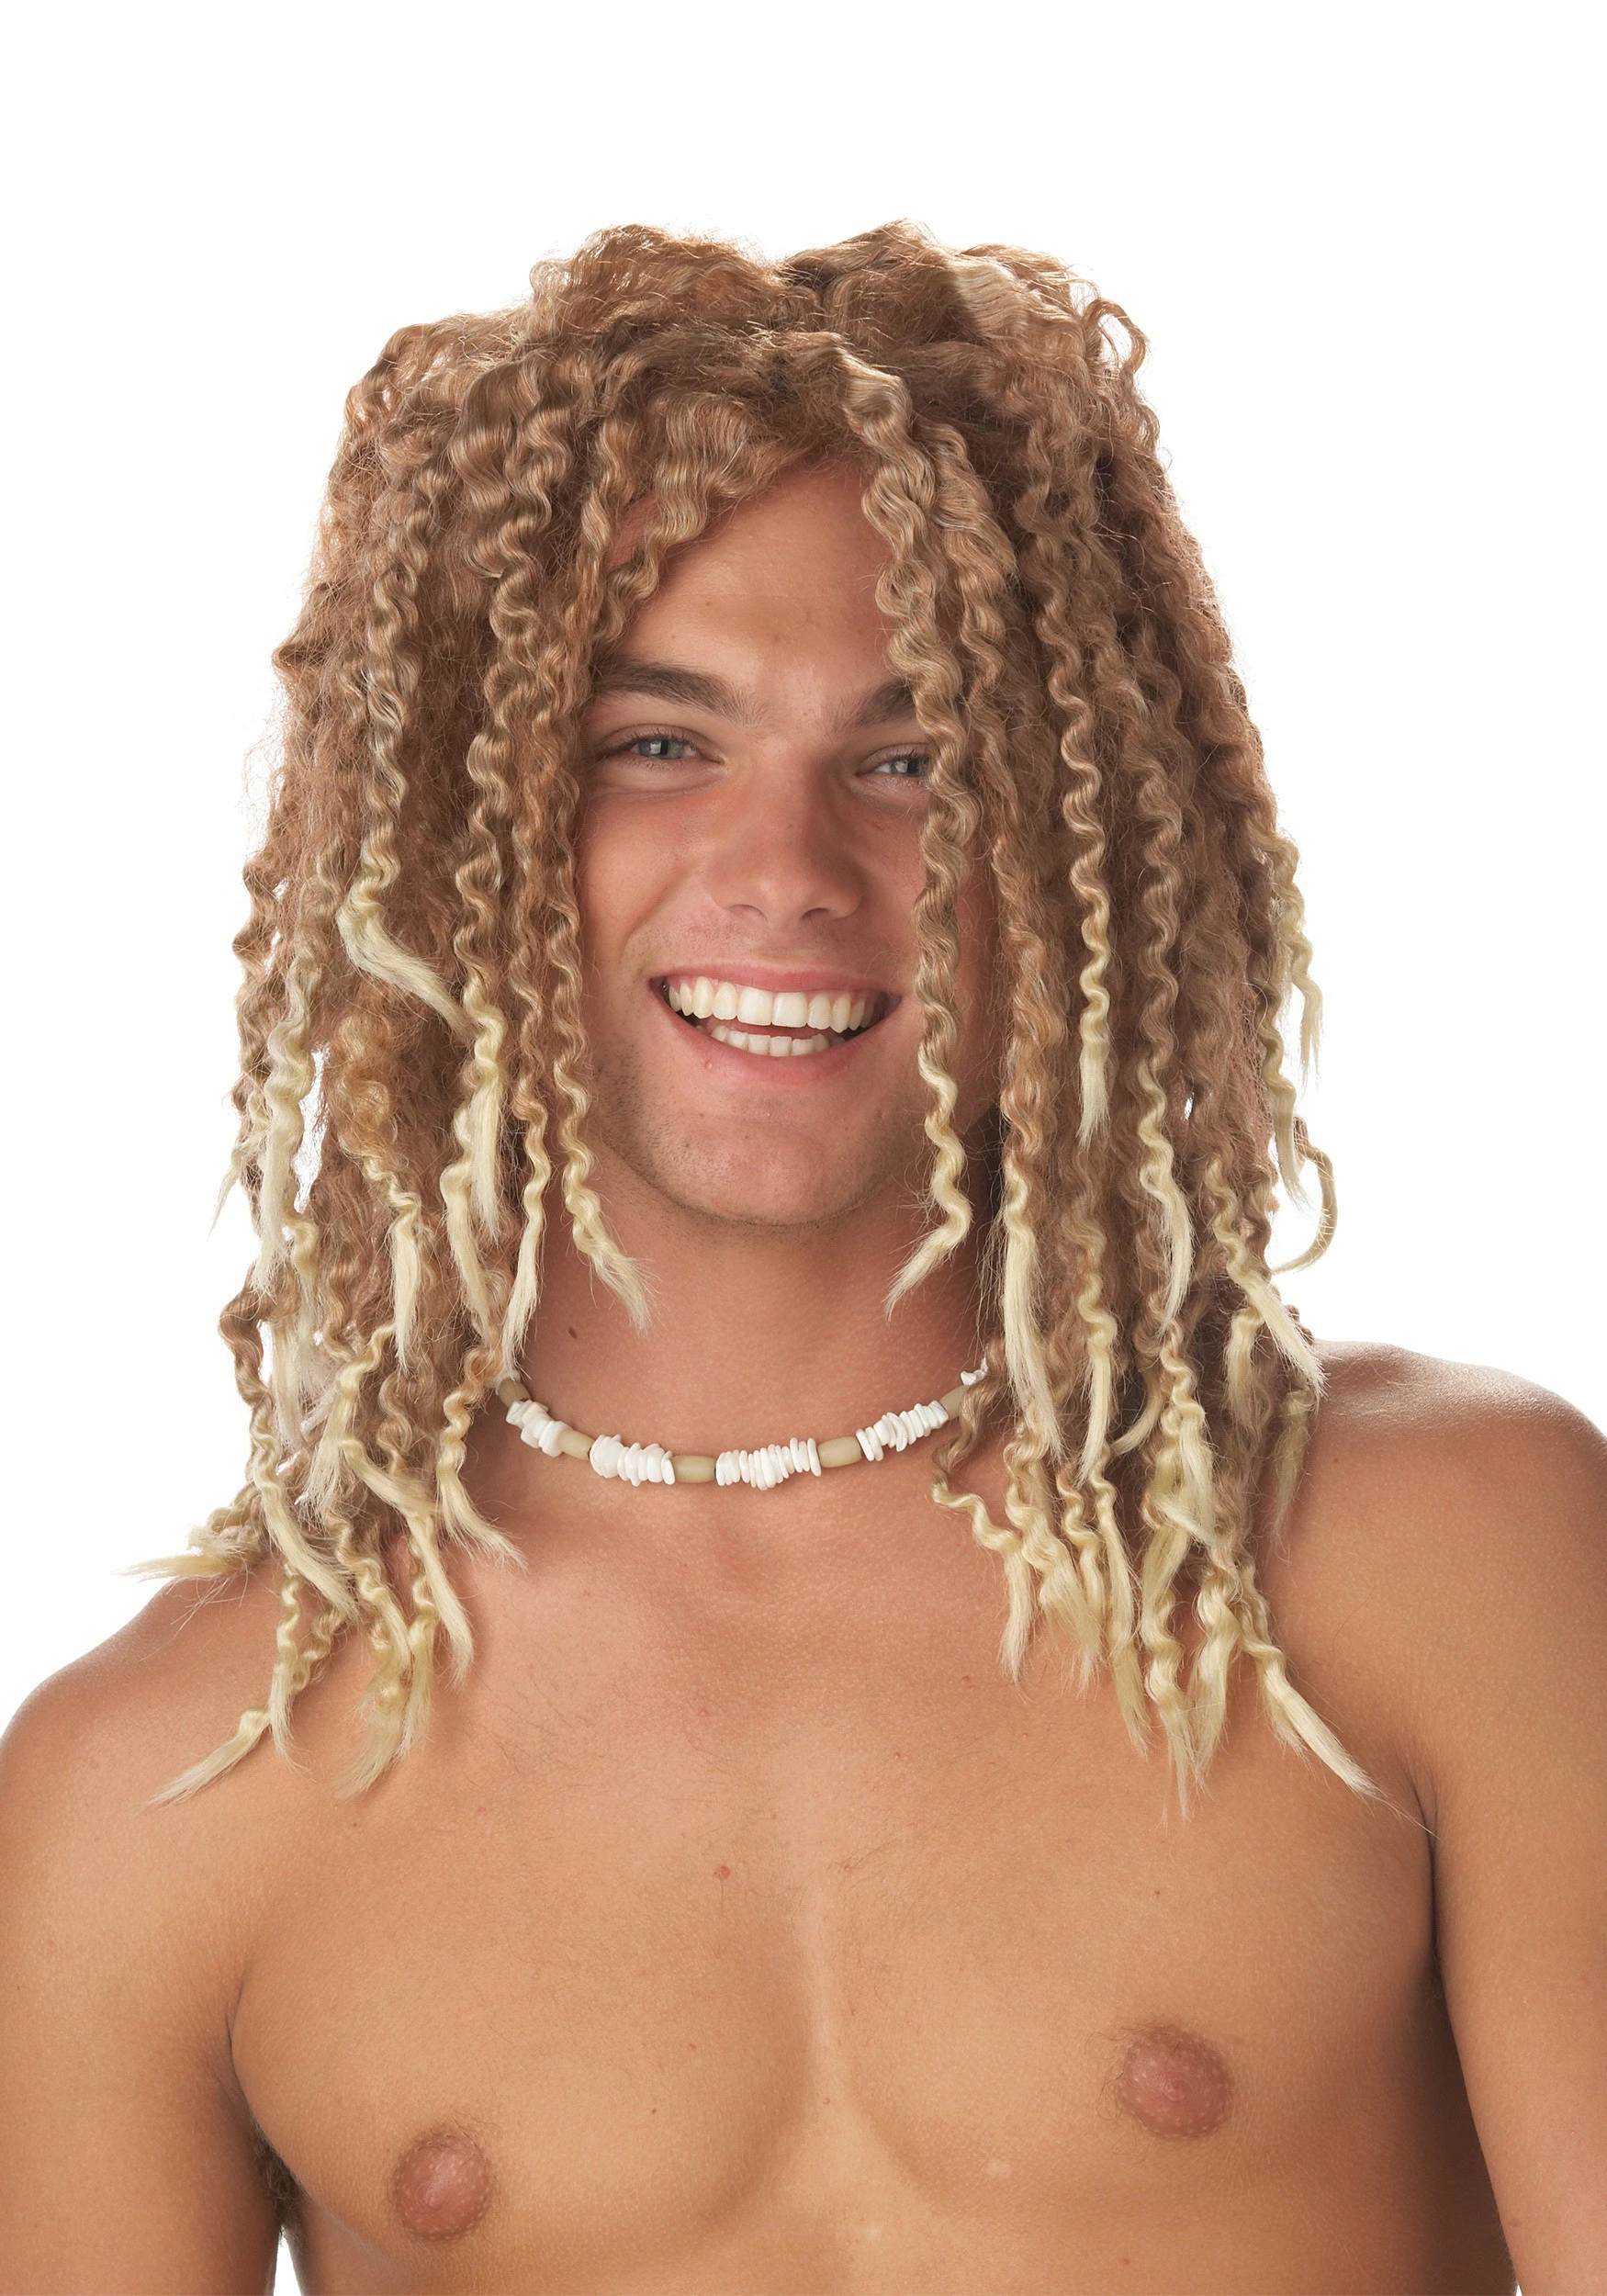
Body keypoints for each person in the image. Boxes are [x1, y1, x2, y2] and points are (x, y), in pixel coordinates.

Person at [0, 220, 1601, 2296]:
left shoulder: (1438, 1557)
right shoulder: (158, 1790)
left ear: (1082, 845)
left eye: (913, 761)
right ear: (452, 836)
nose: (786, 871)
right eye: (655, 745)